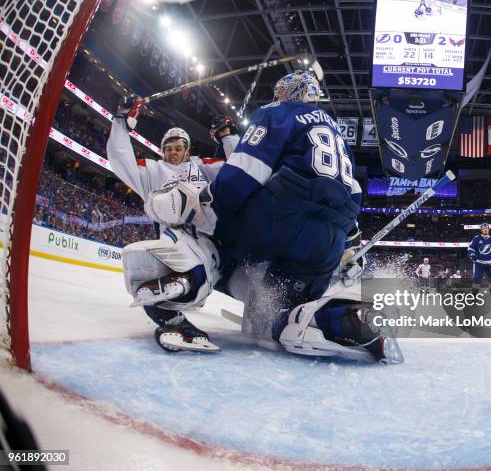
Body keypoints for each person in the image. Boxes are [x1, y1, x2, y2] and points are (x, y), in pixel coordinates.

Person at [146, 70, 402, 363]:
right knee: (281, 315)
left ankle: (176, 291)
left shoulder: (277, 112)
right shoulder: (336, 134)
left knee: (206, 232)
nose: (276, 97)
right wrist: (349, 247)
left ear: (291, 93)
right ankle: (349, 320)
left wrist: (205, 209)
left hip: (283, 219)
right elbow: (352, 195)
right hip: (328, 243)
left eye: (280, 92)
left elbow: (243, 173)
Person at [107, 100, 235, 352]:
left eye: (178, 148)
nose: (173, 152)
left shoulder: (201, 166)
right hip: (173, 236)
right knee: (160, 284)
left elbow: (238, 167)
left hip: (210, 236)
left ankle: (184, 291)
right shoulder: (151, 170)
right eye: (168, 148)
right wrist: (121, 122)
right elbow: (121, 159)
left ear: (187, 151)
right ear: (162, 151)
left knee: (204, 279)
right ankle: (173, 316)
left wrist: (226, 136)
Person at [467, 222, 491, 303]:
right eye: (483, 228)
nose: (485, 230)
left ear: (489, 229)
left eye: (486, 228)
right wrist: (472, 255)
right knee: (477, 280)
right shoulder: (476, 238)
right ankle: (474, 297)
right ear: (481, 229)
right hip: (479, 263)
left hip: (490, 264)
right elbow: (470, 249)